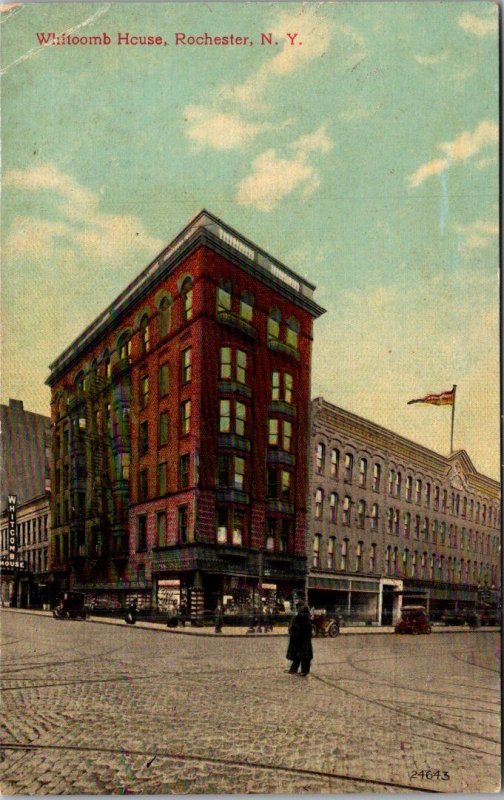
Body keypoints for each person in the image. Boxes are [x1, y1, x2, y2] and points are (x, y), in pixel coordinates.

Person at [286, 604, 313, 676]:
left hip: (298, 639)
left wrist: (293, 634)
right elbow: (310, 632)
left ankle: (294, 669)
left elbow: (292, 629)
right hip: (305, 640)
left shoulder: (297, 618)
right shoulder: (308, 619)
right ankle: (304, 671)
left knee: (297, 655)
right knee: (305, 656)